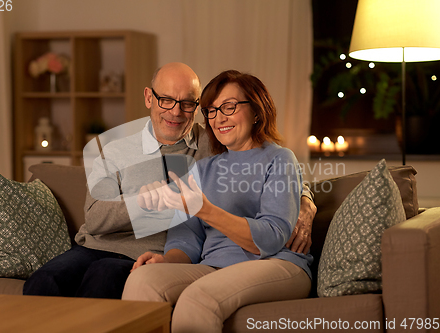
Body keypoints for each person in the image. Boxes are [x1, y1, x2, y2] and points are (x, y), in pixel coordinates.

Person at [23, 63, 316, 299]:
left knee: (104, 277)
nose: (176, 112)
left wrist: (305, 203)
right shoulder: (113, 148)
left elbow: (267, 164)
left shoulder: (211, 140)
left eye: (187, 104)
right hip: (95, 245)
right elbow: (95, 218)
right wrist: (145, 202)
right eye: (166, 100)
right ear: (149, 97)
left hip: (149, 252)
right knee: (43, 281)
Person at [123, 70, 313, 333]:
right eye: (211, 110)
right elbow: (186, 238)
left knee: (198, 298)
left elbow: (271, 238)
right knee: (141, 280)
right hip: (214, 267)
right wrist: (167, 261)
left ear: (257, 111)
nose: (218, 118)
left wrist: (206, 210)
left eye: (229, 107)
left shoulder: (280, 159)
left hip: (276, 263)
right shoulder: (202, 169)